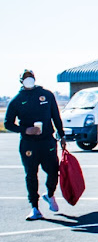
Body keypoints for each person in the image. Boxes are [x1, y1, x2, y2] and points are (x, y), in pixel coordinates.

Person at [4, 70, 67, 220]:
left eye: (30, 77)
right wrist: (25, 130)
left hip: (47, 141)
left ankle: (50, 195)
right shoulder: (17, 100)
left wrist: (62, 135)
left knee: (53, 171)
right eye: (25, 78)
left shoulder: (47, 94)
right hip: (28, 144)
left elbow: (55, 116)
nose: (29, 80)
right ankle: (35, 207)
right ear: (21, 81)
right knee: (31, 175)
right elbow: (7, 123)